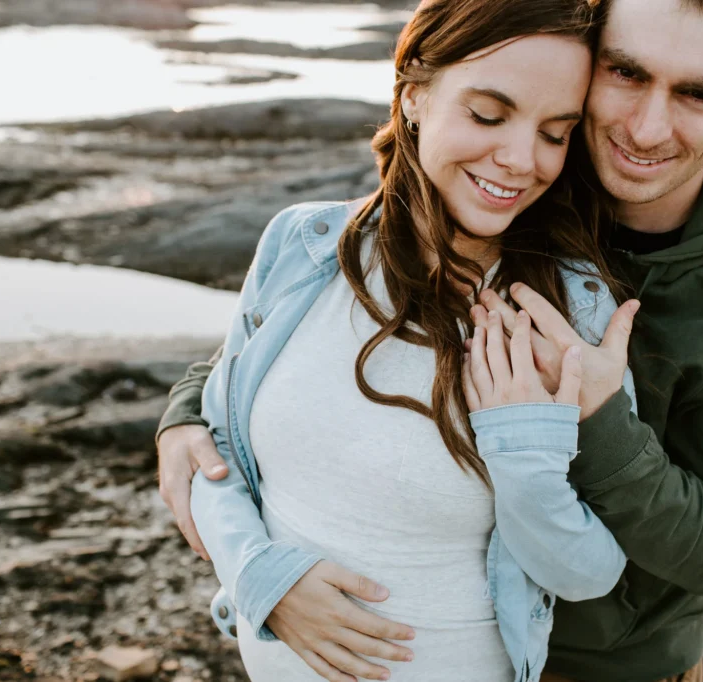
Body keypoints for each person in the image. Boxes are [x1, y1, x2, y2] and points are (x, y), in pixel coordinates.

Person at [158, 0, 703, 680]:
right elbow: (307, 334)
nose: (646, 127)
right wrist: (190, 412)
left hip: (600, 664)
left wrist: (597, 421)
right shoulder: (527, 162)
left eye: (697, 93)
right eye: (626, 73)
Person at [180, 0, 642, 680]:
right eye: (488, 114)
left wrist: (523, 454)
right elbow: (211, 447)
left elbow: (588, 574)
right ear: (414, 94)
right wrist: (260, 578)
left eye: (555, 133)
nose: (521, 160)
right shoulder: (300, 247)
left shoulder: (565, 313)